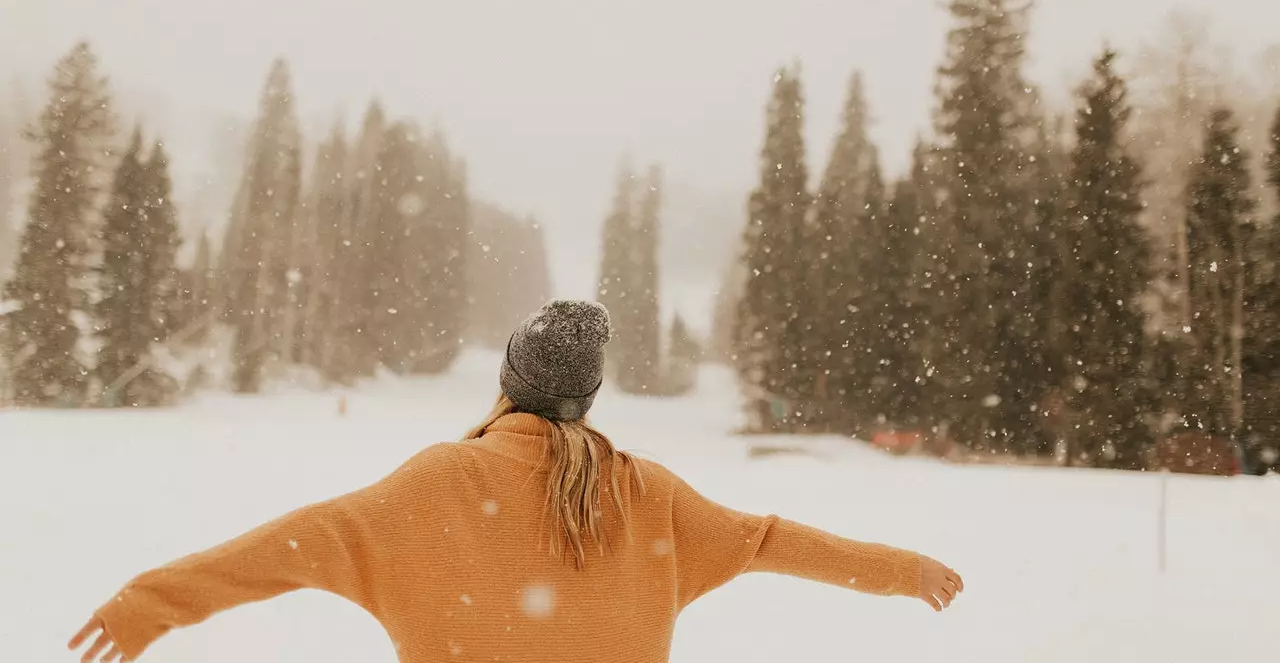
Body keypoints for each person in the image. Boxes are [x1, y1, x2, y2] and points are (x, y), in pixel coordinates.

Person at [70, 299, 963, 663]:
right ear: (588, 398)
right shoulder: (648, 496)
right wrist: (902, 568)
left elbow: (292, 546)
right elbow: (770, 539)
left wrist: (153, 603)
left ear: (505, 383)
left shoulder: (433, 488)